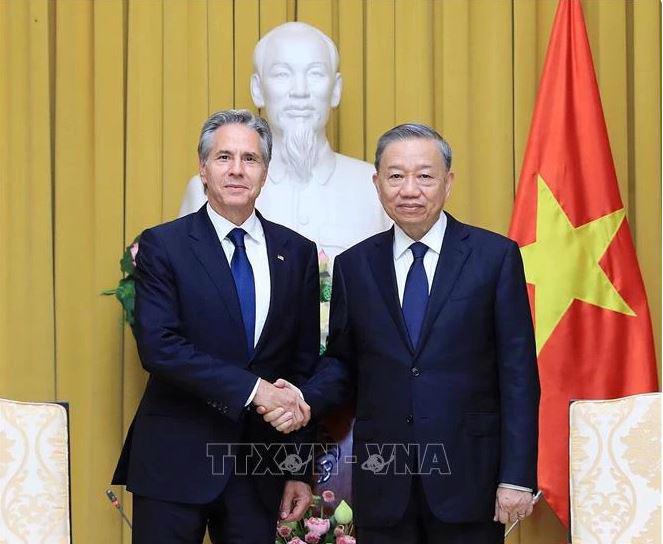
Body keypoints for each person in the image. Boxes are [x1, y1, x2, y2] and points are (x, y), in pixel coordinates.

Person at [260, 124, 540, 543]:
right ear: (377, 184)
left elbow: (518, 375)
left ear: (449, 182)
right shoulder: (354, 267)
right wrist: (303, 399)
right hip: (383, 483)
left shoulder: (494, 258)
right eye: (396, 176)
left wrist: (516, 477)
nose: (410, 189)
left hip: (469, 480)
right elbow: (342, 364)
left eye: (425, 176)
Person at [112, 110, 317, 544]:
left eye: (250, 158)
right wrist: (255, 389)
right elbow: (160, 347)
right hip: (174, 462)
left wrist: (299, 468)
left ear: (265, 172)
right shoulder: (163, 245)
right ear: (203, 168)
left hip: (257, 469)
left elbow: (300, 366)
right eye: (224, 157)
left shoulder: (297, 253)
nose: (237, 170)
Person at [178, 22, 390, 261]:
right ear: (258, 89)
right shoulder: (205, 190)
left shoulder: (376, 187)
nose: (300, 91)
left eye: (315, 74)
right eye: (282, 74)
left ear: (335, 89)